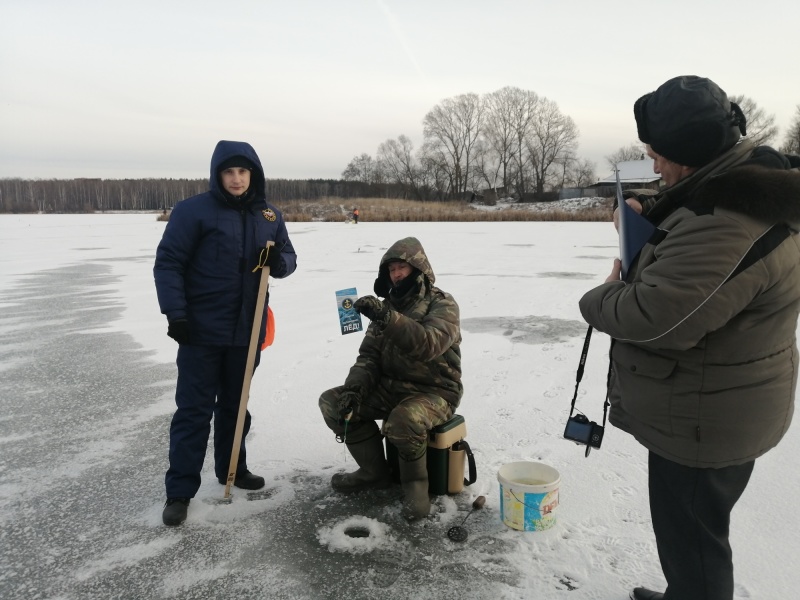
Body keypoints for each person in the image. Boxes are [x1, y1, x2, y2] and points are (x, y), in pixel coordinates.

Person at [579, 76, 800, 600]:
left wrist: (597, 299)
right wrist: (644, 221)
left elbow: (658, 318)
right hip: (716, 398)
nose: (653, 166)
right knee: (690, 533)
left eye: (658, 155)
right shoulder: (747, 184)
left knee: (694, 539)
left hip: (706, 415)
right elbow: (695, 234)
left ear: (690, 150)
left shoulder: (728, 222)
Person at [154, 140, 297, 526]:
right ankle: (180, 491)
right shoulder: (193, 211)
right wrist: (176, 314)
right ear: (218, 175)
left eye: (243, 172)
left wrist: (278, 262)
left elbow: (289, 257)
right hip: (200, 331)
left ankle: (232, 469)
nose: (236, 179)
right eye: (229, 172)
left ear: (254, 175)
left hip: (247, 331)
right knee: (194, 411)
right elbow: (168, 264)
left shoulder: (269, 215)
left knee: (236, 406)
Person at [318, 237, 462, 520]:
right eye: (391, 269)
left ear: (418, 268)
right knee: (333, 404)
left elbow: (428, 344)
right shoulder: (384, 307)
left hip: (436, 391)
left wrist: (388, 317)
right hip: (390, 387)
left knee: (403, 420)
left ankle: (416, 486)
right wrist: (354, 390)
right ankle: (374, 473)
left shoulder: (442, 303)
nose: (396, 274)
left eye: (402, 268)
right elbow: (369, 357)